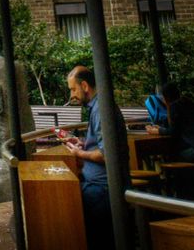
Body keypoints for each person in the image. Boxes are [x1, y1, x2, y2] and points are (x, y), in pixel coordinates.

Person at [63, 64, 127, 250]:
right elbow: (102, 144)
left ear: (84, 86)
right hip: (99, 184)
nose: (72, 95)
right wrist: (84, 143)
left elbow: (108, 154)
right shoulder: (98, 106)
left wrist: (78, 153)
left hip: (102, 189)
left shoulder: (101, 109)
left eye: (73, 89)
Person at [146, 80, 194, 203]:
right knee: (179, 157)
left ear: (165, 98)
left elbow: (173, 132)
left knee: (174, 159)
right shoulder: (188, 103)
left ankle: (182, 196)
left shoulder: (176, 106)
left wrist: (157, 131)